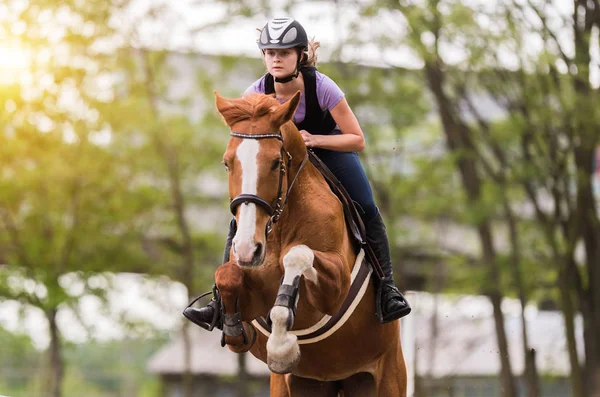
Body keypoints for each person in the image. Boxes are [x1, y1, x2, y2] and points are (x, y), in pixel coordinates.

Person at [184, 17, 410, 328]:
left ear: (300, 57)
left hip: (330, 150)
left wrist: (315, 139)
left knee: (366, 205)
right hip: (281, 158)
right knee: (244, 209)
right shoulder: (256, 91)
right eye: (270, 53)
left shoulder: (323, 87)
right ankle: (219, 302)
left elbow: (357, 138)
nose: (276, 59)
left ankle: (387, 289)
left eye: (284, 53)